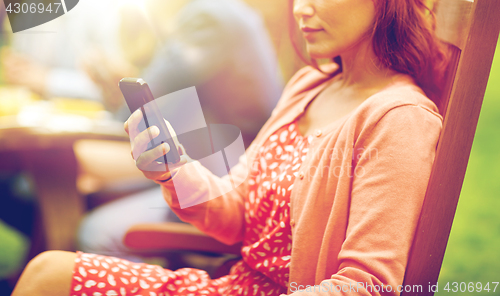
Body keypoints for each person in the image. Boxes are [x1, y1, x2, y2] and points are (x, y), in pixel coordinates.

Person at [12, 0, 448, 295]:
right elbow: (238, 211)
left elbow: (369, 284)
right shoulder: (311, 86)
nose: (300, 9)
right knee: (47, 270)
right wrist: (173, 169)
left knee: (51, 276)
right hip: (230, 284)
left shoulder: (399, 120)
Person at [76, 0, 284, 262]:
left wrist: (124, 95)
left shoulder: (208, 18)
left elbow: (160, 89)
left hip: (225, 184)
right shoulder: (224, 11)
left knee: (95, 229)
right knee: (90, 175)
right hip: (218, 168)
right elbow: (168, 92)